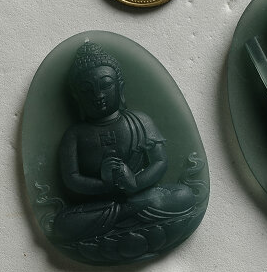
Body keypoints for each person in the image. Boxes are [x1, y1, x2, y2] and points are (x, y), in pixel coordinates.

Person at [54, 41, 196, 243]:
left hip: (141, 196)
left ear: (120, 87)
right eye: (87, 90)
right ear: (77, 97)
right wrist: (103, 185)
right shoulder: (74, 134)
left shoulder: (140, 121)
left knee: (183, 195)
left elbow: (160, 161)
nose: (98, 95)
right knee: (63, 224)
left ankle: (121, 222)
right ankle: (131, 218)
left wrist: (135, 182)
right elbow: (72, 178)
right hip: (101, 205)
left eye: (106, 85)